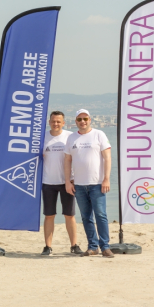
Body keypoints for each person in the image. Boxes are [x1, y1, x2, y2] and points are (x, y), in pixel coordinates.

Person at [65, 109, 113, 258]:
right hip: (79, 185)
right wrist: (68, 181)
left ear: (90, 119)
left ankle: (105, 246)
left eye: (85, 119)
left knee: (101, 215)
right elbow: (67, 160)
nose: (82, 122)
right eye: (79, 119)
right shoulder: (72, 138)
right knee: (86, 217)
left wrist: (106, 178)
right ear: (76, 122)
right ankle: (93, 246)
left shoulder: (99, 134)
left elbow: (107, 158)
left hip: (97, 183)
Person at [41, 111, 81, 255]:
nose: (56, 124)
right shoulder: (42, 137)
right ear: (49, 122)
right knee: (49, 215)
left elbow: (77, 158)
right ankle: (48, 246)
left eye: (59, 121)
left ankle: (74, 245)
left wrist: (74, 178)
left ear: (63, 123)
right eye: (53, 121)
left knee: (69, 215)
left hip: (67, 182)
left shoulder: (69, 137)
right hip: (47, 182)